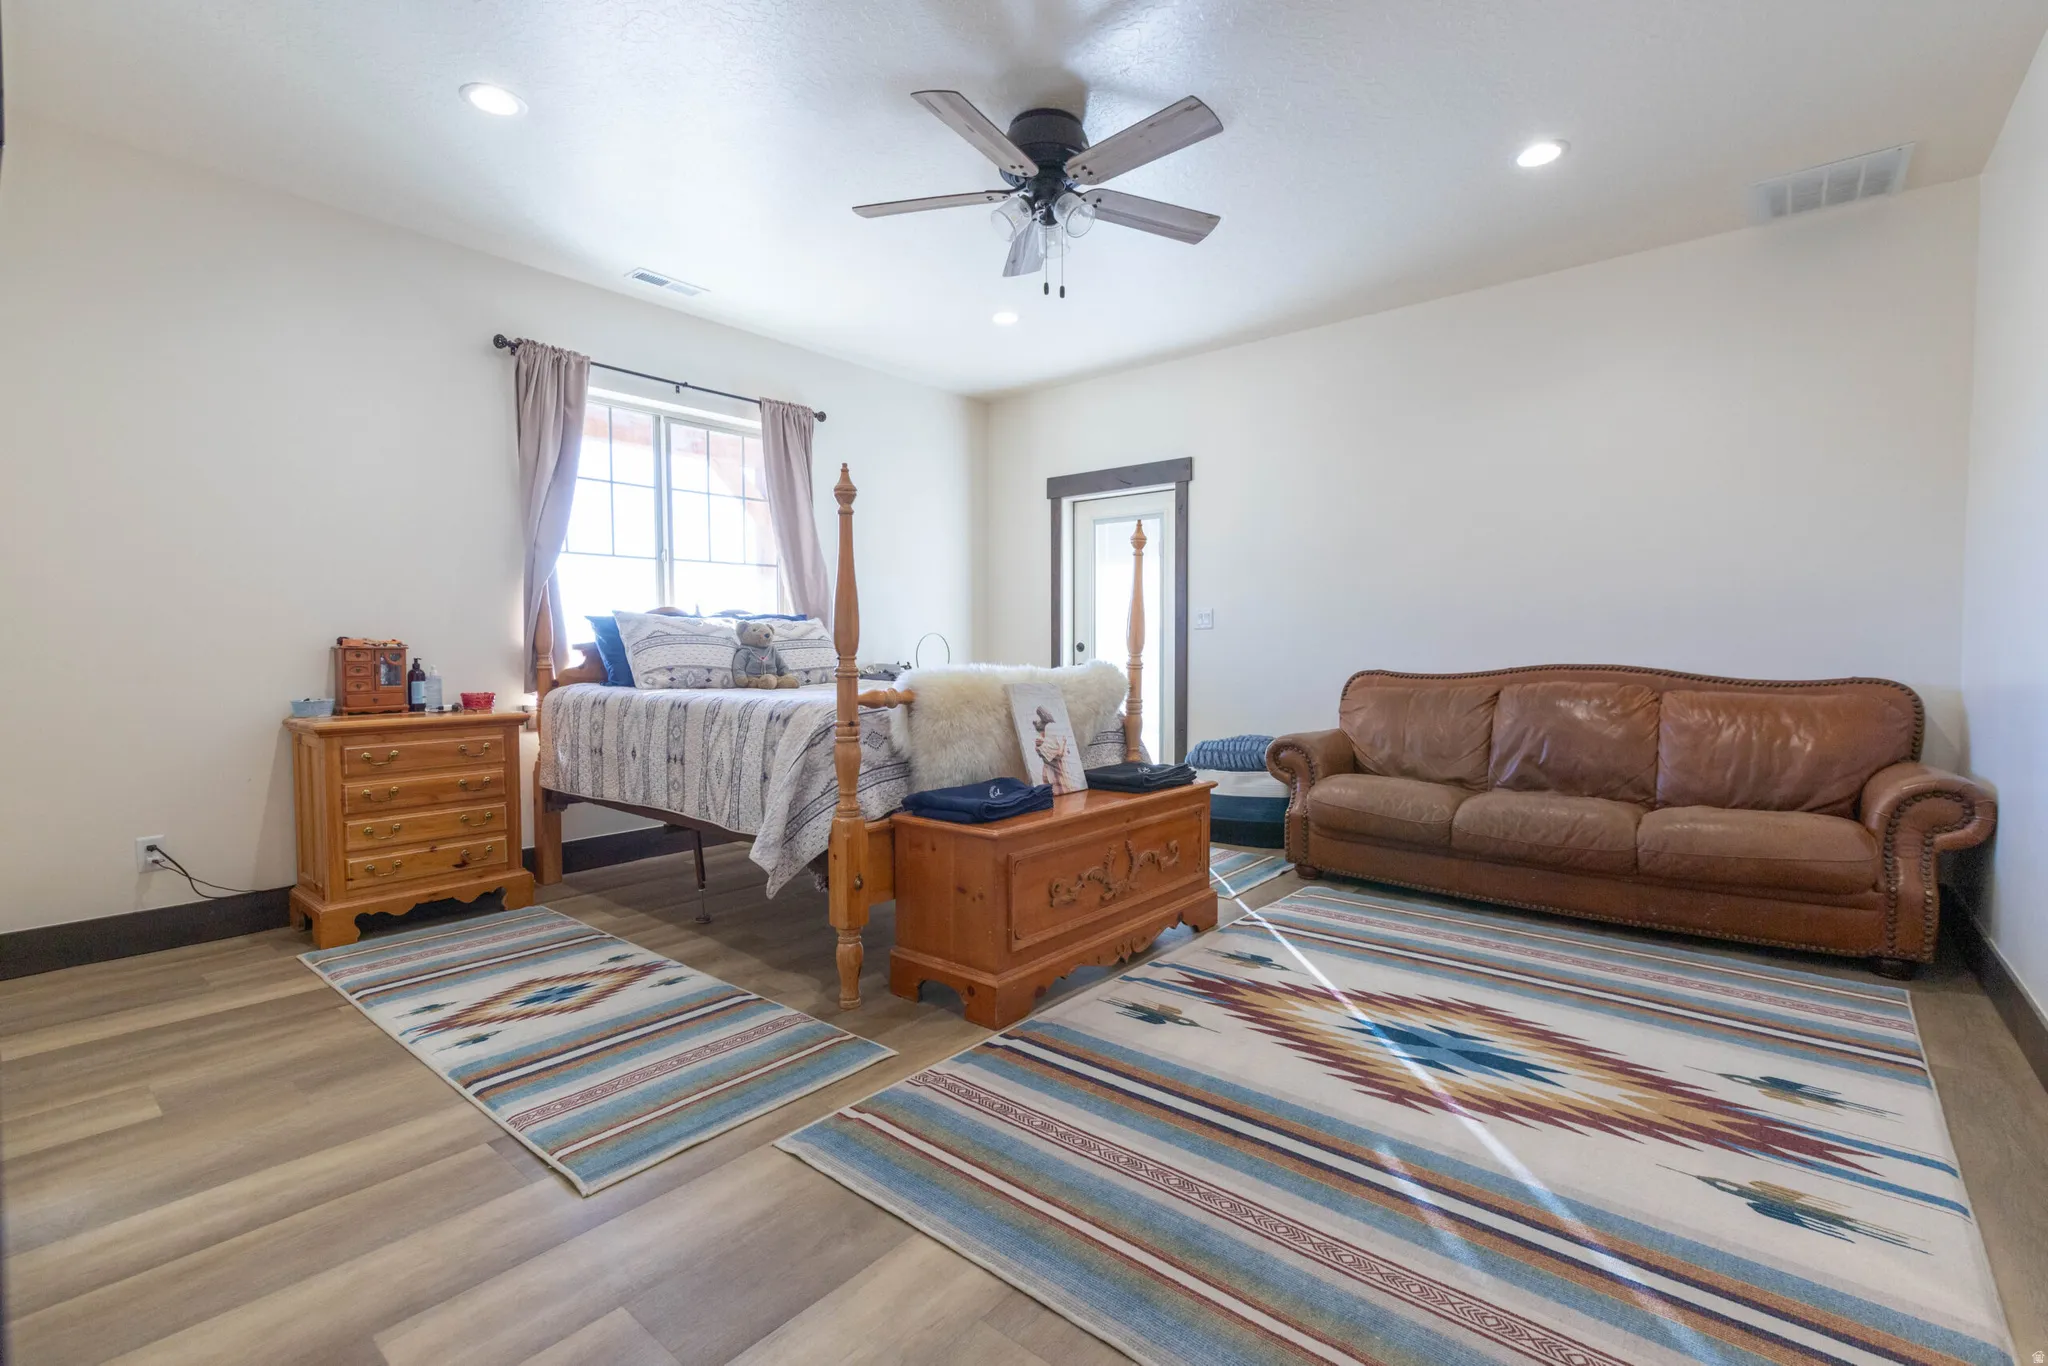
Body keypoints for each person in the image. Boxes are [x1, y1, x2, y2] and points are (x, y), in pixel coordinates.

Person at [1030, 706, 1077, 794]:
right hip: (1049, 768)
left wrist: (1061, 745)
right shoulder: (1042, 738)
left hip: (1055, 768)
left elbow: (1059, 753)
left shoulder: (1051, 730)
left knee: (1059, 785)